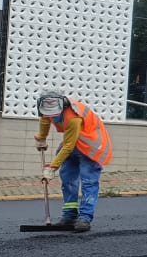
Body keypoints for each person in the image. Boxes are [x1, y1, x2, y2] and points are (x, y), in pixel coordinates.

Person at [33, 90, 114, 233]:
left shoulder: (73, 117)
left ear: (63, 106)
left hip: (91, 144)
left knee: (88, 180)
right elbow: (45, 120)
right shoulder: (47, 108)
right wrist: (41, 137)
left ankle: (85, 218)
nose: (51, 116)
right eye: (48, 113)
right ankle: (69, 215)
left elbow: (68, 146)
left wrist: (52, 168)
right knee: (68, 178)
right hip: (73, 141)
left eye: (54, 113)